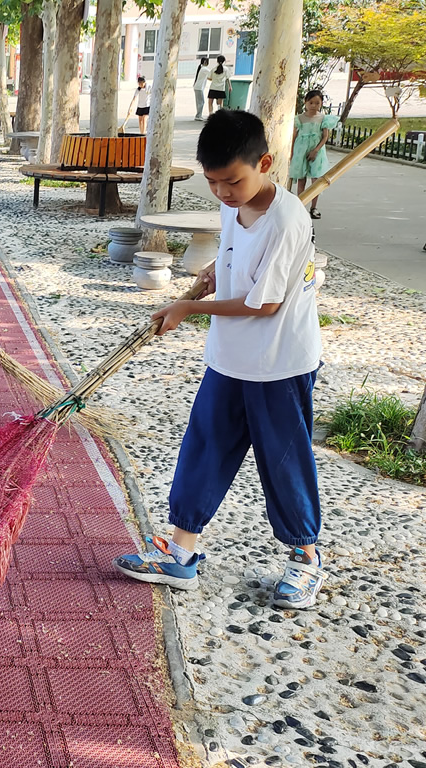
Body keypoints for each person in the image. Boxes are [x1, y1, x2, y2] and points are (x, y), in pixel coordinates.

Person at [114, 109, 325, 611]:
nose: (225, 194)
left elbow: (264, 304)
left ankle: (305, 558)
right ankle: (180, 551)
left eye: (233, 181)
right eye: (214, 184)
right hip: (229, 358)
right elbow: (236, 250)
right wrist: (215, 268)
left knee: (283, 461)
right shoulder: (235, 203)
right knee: (205, 446)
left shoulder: (288, 219)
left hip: (279, 364)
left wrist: (189, 306)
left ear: (265, 162)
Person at [289, 89, 339, 220]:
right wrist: (292, 152)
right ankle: (301, 205)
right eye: (311, 102)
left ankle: (314, 207)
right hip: (301, 150)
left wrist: (316, 150)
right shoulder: (299, 119)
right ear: (305, 102)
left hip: (317, 151)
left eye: (317, 103)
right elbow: (294, 136)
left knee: (316, 179)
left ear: (321, 103)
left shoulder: (323, 119)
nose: (314, 105)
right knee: (301, 179)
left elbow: (325, 136)